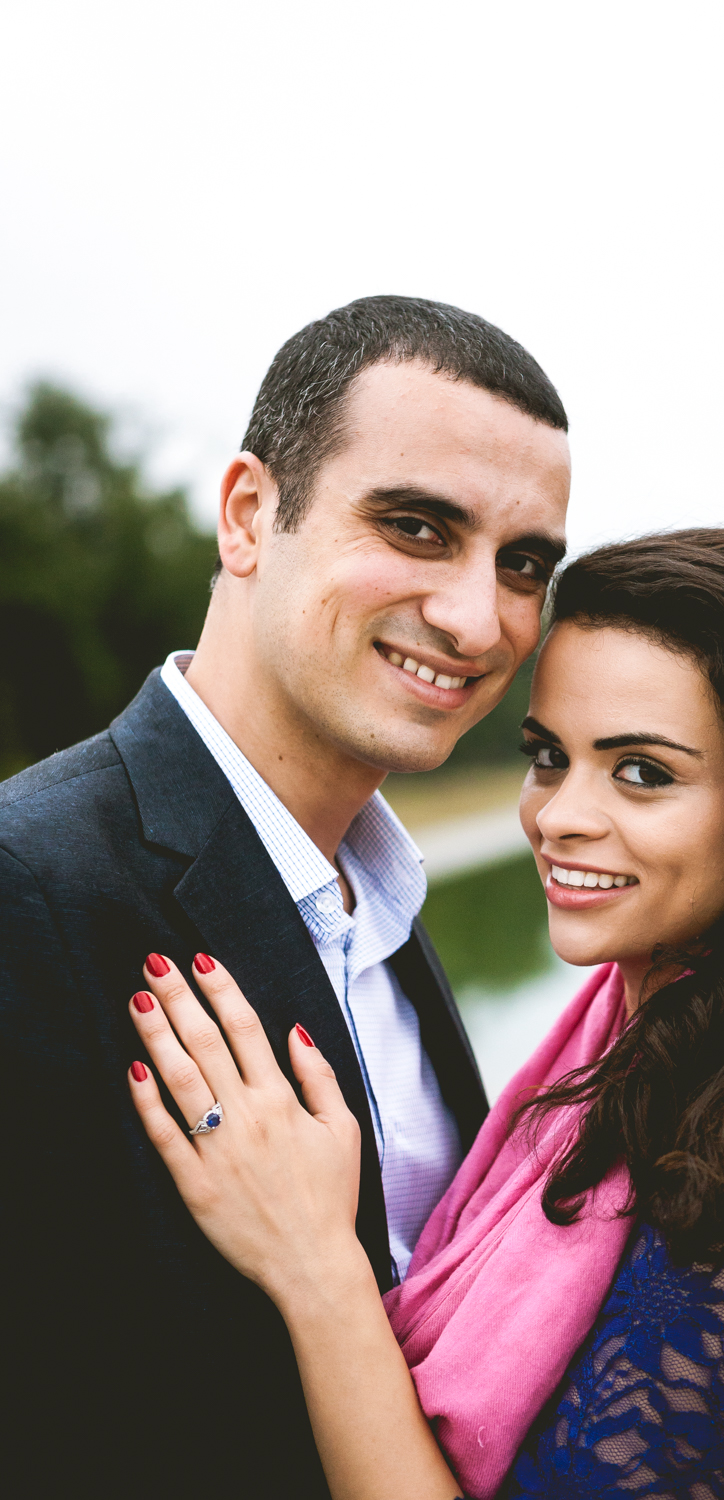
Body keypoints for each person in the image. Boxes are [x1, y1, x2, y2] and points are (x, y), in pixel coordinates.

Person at [123, 528, 724, 1499]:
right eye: (548, 756)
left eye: (641, 771)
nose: (559, 813)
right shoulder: (611, 1056)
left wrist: (317, 1268)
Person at [0, 296, 570, 1498]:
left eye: (523, 563)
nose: (480, 619)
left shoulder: (382, 900)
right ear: (252, 514)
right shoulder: (27, 889)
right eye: (418, 526)